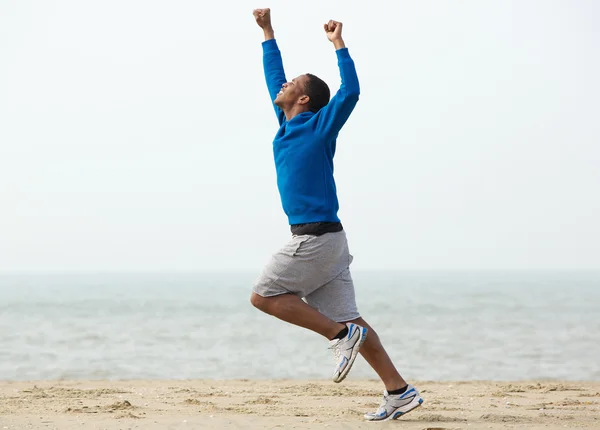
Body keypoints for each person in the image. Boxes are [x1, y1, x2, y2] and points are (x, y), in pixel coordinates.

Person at [250, 8, 424, 421]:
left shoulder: (320, 124)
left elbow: (350, 92)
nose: (283, 85)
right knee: (354, 320)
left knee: (265, 296)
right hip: (329, 241)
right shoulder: (285, 121)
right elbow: (273, 74)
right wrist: (267, 32)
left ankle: (339, 336)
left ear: (304, 98)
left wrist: (338, 45)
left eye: (291, 85)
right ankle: (399, 391)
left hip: (315, 239)